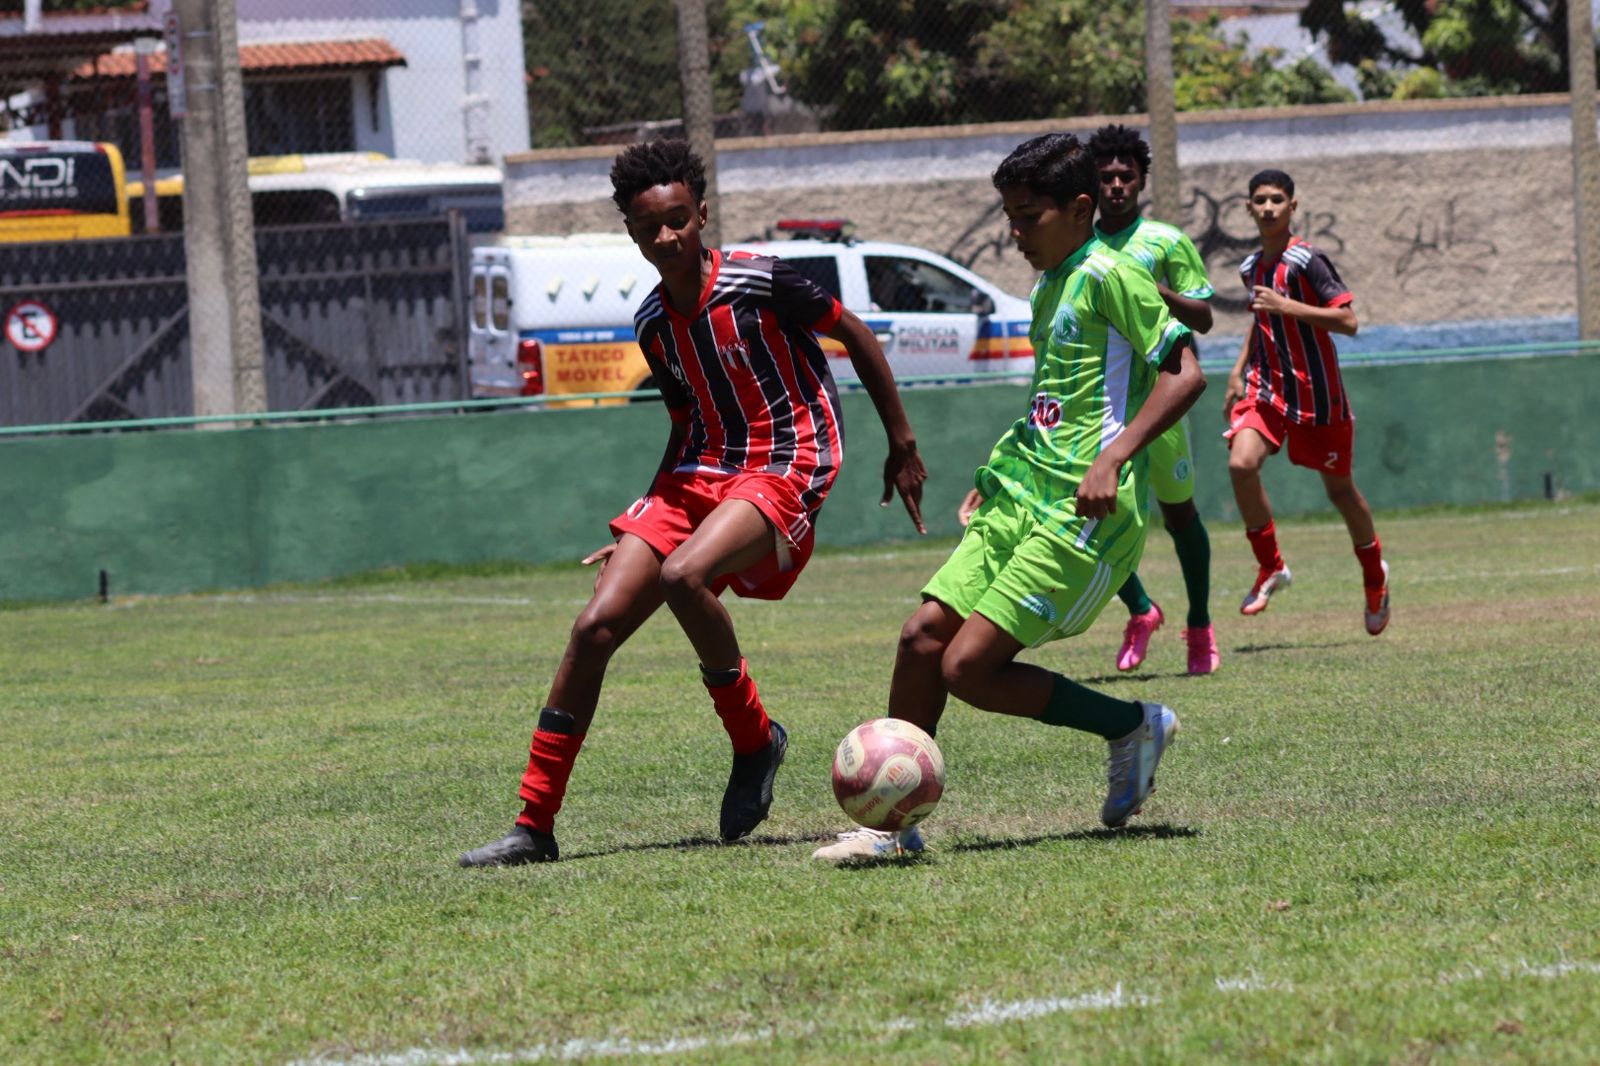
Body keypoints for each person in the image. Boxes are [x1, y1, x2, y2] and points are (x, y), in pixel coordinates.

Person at [461, 140, 928, 866]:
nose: (666, 236)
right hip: (700, 469)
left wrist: (901, 441)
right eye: (650, 226)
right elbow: (684, 424)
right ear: (631, 231)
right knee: (594, 628)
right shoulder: (653, 323)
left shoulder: (762, 282)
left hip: (787, 459)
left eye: (679, 219)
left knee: (682, 577)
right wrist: (647, 518)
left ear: (702, 214)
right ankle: (534, 825)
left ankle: (752, 741)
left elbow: (855, 333)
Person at [814, 133, 1206, 864]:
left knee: (969, 669)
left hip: (1085, 514)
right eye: (1010, 217)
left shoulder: (1111, 275)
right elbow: (1060, 400)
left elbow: (1184, 373)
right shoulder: (1051, 282)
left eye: (1027, 217)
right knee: (921, 639)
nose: (1014, 232)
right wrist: (1007, 468)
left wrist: (1112, 458)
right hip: (1023, 498)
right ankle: (890, 828)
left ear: (1080, 207)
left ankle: (1130, 725)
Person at [1222, 168, 1390, 635]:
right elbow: (1262, 319)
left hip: (1319, 395)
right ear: (1249, 208)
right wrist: (1237, 372)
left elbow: (1349, 320)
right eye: (1260, 200)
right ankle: (1270, 565)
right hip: (1267, 389)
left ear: (1293, 207)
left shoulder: (1307, 260)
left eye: (1278, 199)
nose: (1269, 207)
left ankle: (1375, 576)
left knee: (1340, 493)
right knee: (1241, 464)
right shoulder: (1250, 268)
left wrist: (1288, 306)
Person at [1088, 124, 1219, 676]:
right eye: (1107, 177)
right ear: (1091, 185)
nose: (1117, 185)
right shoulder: (1080, 246)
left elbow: (1204, 317)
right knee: (1092, 514)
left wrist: (1151, 288)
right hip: (1104, 404)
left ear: (1141, 180)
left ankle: (1199, 624)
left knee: (1179, 514)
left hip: (1164, 402)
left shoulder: (1165, 241)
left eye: (1127, 176)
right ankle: (1141, 609)